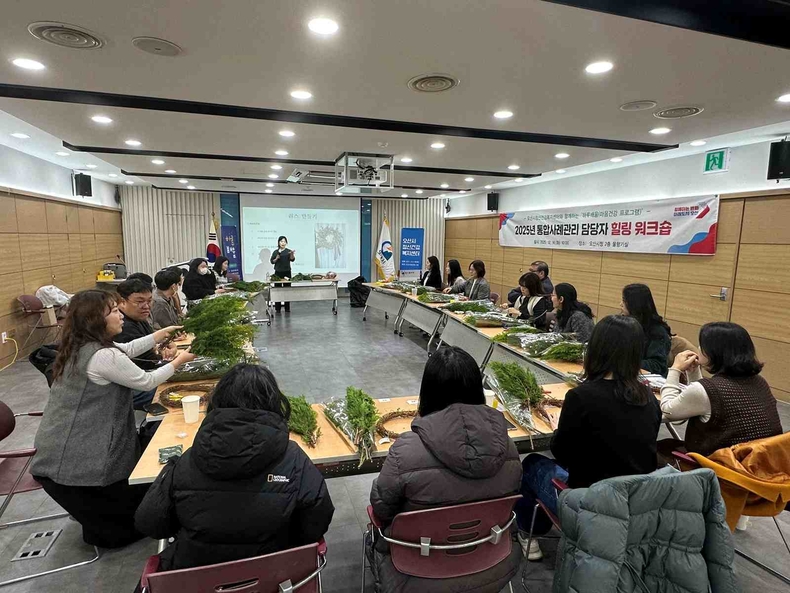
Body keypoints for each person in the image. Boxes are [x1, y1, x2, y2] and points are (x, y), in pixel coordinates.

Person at [30, 290, 193, 548]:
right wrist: (179, 361)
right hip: (76, 466)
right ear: (96, 319)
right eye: (115, 311)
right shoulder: (102, 355)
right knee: (133, 526)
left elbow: (127, 349)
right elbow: (146, 381)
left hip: (57, 455)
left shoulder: (82, 346)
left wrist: (159, 334)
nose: (121, 316)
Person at [135, 364, 334, 572]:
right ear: (275, 403)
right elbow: (318, 519)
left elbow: (150, 523)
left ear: (217, 401)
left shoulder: (187, 461)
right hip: (276, 577)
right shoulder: (293, 458)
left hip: (198, 579)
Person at [369, 346, 522, 593]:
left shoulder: (406, 451)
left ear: (427, 392)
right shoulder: (509, 449)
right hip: (493, 567)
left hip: (417, 574)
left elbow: (381, 509)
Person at [515, 315, 661, 560]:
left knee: (531, 464)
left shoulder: (581, 397)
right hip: (635, 506)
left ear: (596, 348)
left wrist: (560, 427)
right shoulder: (648, 397)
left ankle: (530, 534)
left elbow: (562, 452)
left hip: (589, 507)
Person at [660, 322, 782, 456]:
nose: (698, 348)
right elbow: (702, 398)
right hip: (759, 462)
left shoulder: (709, 390)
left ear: (714, 353)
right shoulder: (760, 382)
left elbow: (668, 410)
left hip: (717, 464)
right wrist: (693, 371)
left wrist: (675, 369)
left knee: (657, 448)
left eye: (702, 345)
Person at [115, 278, 178, 409]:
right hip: (131, 389)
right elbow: (146, 362)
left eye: (149, 301)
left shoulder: (138, 317)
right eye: (139, 302)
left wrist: (163, 343)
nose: (146, 306)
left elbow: (144, 345)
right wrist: (178, 361)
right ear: (122, 302)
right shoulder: (123, 327)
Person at [621, 283, 672, 377]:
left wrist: (624, 362)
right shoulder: (624, 324)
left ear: (634, 304)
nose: (621, 304)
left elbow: (657, 365)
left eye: (624, 301)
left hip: (648, 380)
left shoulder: (657, 331)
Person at [271, 236, 295, 313]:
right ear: (278, 242)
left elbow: (292, 259)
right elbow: (272, 261)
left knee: (287, 290)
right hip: (278, 273)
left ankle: (287, 308)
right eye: (281, 241)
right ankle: (277, 308)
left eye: (284, 241)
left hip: (287, 273)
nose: (283, 243)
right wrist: (276, 258)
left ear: (286, 243)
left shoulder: (288, 251)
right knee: (277, 290)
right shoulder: (275, 252)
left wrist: (292, 254)